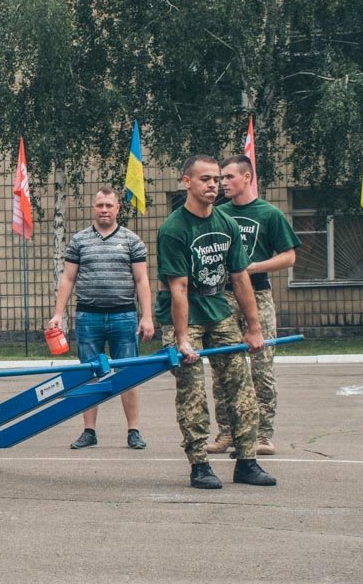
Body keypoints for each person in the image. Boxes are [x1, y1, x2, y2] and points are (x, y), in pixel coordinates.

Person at [155, 155, 277, 490]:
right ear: (187, 182)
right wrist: (181, 339)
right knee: (192, 389)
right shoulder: (174, 229)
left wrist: (253, 328)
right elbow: (178, 288)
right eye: (205, 179)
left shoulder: (226, 224)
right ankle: (200, 464)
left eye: (217, 179)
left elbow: (240, 279)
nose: (213, 185)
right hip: (185, 312)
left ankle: (247, 461)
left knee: (240, 383)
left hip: (217, 308)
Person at [206, 155, 300, 456]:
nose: (223, 184)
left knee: (261, 367)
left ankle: (263, 435)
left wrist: (254, 267)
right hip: (223, 296)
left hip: (257, 294)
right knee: (222, 366)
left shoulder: (268, 214)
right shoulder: (218, 214)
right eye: (220, 178)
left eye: (229, 177)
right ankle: (227, 433)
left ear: (247, 177)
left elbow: (289, 256)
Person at [49, 186, 154, 450]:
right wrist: (58, 314)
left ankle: (133, 430)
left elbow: (142, 280)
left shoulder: (132, 240)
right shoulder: (79, 240)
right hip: (89, 317)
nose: (104, 210)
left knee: (128, 374)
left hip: (124, 316)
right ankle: (89, 431)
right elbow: (68, 278)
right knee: (89, 375)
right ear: (93, 208)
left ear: (118, 208)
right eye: (100, 205)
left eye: (109, 205)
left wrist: (147, 316)